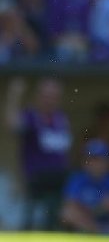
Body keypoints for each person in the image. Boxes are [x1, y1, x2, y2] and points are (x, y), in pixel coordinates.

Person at [5, 77, 72, 230]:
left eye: (54, 96)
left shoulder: (61, 118)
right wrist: (14, 95)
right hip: (36, 178)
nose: (50, 100)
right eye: (46, 96)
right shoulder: (31, 116)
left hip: (60, 179)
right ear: (38, 96)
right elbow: (12, 126)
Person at [61, 139, 109, 233]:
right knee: (68, 214)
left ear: (107, 162)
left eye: (99, 160)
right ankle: (96, 232)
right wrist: (94, 207)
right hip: (87, 221)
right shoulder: (78, 178)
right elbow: (70, 205)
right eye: (91, 159)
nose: (95, 164)